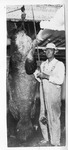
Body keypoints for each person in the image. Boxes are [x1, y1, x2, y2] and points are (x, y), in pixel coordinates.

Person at [34, 42, 65, 146]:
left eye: (50, 50)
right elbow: (40, 80)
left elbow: (60, 80)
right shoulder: (43, 64)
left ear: (54, 51)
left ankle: (55, 142)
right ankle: (46, 138)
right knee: (42, 116)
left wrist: (46, 76)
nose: (48, 51)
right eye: (46, 50)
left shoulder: (59, 64)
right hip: (43, 93)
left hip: (53, 95)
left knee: (54, 118)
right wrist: (37, 75)